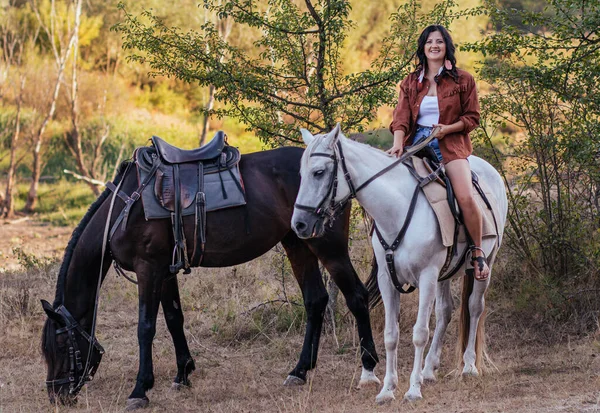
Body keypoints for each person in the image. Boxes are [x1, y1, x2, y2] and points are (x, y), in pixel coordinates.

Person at [387, 24, 490, 281]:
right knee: (386, 184)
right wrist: (398, 142)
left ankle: (477, 252)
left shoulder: (463, 80)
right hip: (418, 142)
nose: (434, 45)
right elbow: (400, 117)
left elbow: (472, 118)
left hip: (449, 142)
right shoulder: (411, 81)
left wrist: (447, 129)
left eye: (439, 42)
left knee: (465, 195)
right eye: (430, 41)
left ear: (447, 48)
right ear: (423, 47)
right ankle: (387, 247)